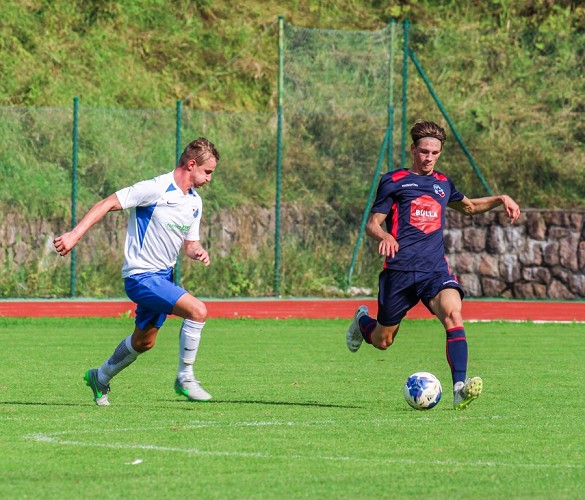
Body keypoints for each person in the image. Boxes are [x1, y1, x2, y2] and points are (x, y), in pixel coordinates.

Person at [346, 120, 521, 409]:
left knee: (454, 314)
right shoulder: (394, 181)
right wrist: (385, 234)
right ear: (413, 149)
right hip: (399, 272)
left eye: (434, 153)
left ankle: (459, 388)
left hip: (434, 271)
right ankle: (361, 321)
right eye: (424, 151)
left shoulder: (443, 184)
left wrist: (500, 198)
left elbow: (470, 207)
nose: (428, 158)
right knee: (382, 341)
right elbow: (372, 224)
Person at [54, 137, 220, 406]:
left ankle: (100, 376)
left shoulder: (195, 202)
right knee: (198, 311)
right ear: (191, 164)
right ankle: (185, 377)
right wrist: (74, 235)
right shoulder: (155, 188)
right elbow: (107, 203)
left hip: (163, 277)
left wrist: (197, 251)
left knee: (144, 342)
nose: (210, 179)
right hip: (141, 276)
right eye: (208, 172)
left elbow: (190, 243)